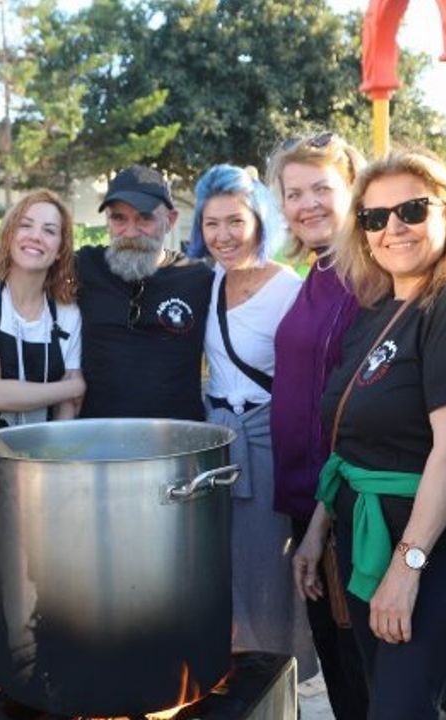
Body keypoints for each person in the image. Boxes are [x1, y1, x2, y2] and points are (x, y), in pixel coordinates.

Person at [294, 150, 446, 720]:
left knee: (401, 707)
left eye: (412, 209)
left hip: (429, 545)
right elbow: (350, 438)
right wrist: (318, 528)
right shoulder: (377, 308)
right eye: (374, 216)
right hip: (363, 536)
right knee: (381, 697)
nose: (393, 228)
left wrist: (407, 568)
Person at [185, 164, 311, 664]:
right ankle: (223, 675)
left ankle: (271, 678)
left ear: (259, 220)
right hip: (215, 437)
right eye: (211, 223)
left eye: (235, 221)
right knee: (217, 570)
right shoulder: (208, 280)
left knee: (265, 570)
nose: (223, 236)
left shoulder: (289, 289)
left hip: (266, 441)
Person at [267, 131, 371, 720]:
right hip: (306, 502)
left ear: (352, 190)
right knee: (337, 666)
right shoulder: (318, 271)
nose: (307, 204)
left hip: (349, 509)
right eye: (293, 192)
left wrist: (325, 520)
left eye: (321, 189)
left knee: (364, 672)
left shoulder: (369, 276)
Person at [76, 165, 212, 420]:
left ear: (170, 220)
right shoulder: (83, 266)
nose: (130, 231)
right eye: (119, 218)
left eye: (144, 218)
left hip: (178, 444)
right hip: (98, 441)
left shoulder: (200, 279)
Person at [0, 189, 84, 426]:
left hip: (47, 455)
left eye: (49, 230)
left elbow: (67, 409)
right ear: (9, 235)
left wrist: (52, 459)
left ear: (60, 250)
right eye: (25, 225)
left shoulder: (68, 314)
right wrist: (71, 387)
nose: (35, 236)